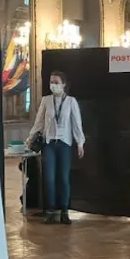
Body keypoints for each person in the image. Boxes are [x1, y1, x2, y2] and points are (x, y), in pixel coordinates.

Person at [26, 71, 84, 224]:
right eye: (52, 82)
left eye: (57, 82)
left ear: (63, 84)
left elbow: (76, 124)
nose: (53, 85)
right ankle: (50, 210)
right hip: (49, 144)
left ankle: (65, 211)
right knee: (49, 178)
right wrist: (31, 137)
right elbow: (39, 122)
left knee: (63, 178)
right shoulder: (46, 101)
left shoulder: (71, 102)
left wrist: (80, 142)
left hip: (64, 144)